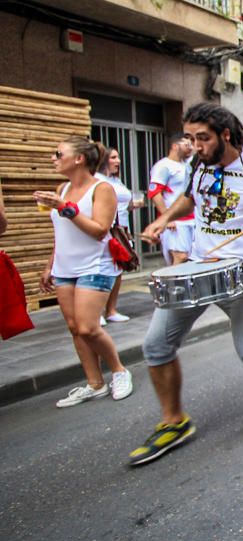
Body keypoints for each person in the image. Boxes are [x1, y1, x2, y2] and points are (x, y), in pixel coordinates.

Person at [131, 102, 243, 466]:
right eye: (190, 138)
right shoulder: (199, 165)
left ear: (225, 135)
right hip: (198, 270)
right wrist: (163, 220)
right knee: (156, 346)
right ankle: (174, 421)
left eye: (203, 138)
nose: (195, 145)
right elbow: (190, 199)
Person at [34, 137, 133, 407]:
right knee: (75, 328)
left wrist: (65, 208)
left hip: (95, 265)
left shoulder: (103, 189)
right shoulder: (62, 187)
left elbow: (99, 230)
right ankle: (95, 384)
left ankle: (119, 371)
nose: (53, 158)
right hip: (66, 267)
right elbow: (61, 233)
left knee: (89, 327)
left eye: (58, 153)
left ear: (79, 159)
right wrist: (49, 265)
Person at [95, 147, 134, 323]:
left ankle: (111, 310)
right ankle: (97, 311)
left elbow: (126, 202)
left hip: (122, 229)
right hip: (109, 228)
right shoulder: (98, 180)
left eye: (118, 157)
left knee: (118, 269)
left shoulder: (116, 180)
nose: (118, 161)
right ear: (104, 160)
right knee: (104, 269)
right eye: (113, 157)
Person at [149, 133, 194, 265]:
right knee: (180, 256)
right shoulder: (163, 166)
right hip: (176, 222)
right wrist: (166, 218)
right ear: (175, 146)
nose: (190, 148)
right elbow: (154, 192)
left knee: (191, 259)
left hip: (191, 219)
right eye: (186, 145)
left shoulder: (187, 165)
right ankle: (174, 285)